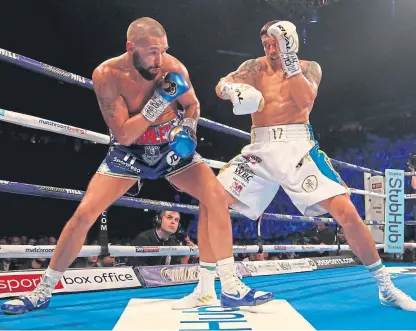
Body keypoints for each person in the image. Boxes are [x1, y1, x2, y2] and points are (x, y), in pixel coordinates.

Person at [1, 17, 272, 315]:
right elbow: (124, 133)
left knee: (217, 199)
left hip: (170, 146)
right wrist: (158, 102)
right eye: (153, 51)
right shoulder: (107, 75)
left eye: (164, 50)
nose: (160, 59)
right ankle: (42, 291)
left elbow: (192, 105)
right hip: (130, 153)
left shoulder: (172, 67)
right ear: (131, 47)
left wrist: (189, 130)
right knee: (84, 214)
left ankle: (230, 287)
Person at [174, 20, 416, 311]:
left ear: (289, 42)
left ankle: (386, 288)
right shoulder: (255, 67)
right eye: (266, 44)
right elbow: (221, 84)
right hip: (259, 148)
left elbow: (305, 100)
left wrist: (290, 60)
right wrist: (230, 90)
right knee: (210, 201)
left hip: (298, 146)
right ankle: (204, 289)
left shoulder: (310, 67)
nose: (270, 49)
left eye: (276, 43)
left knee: (346, 210)